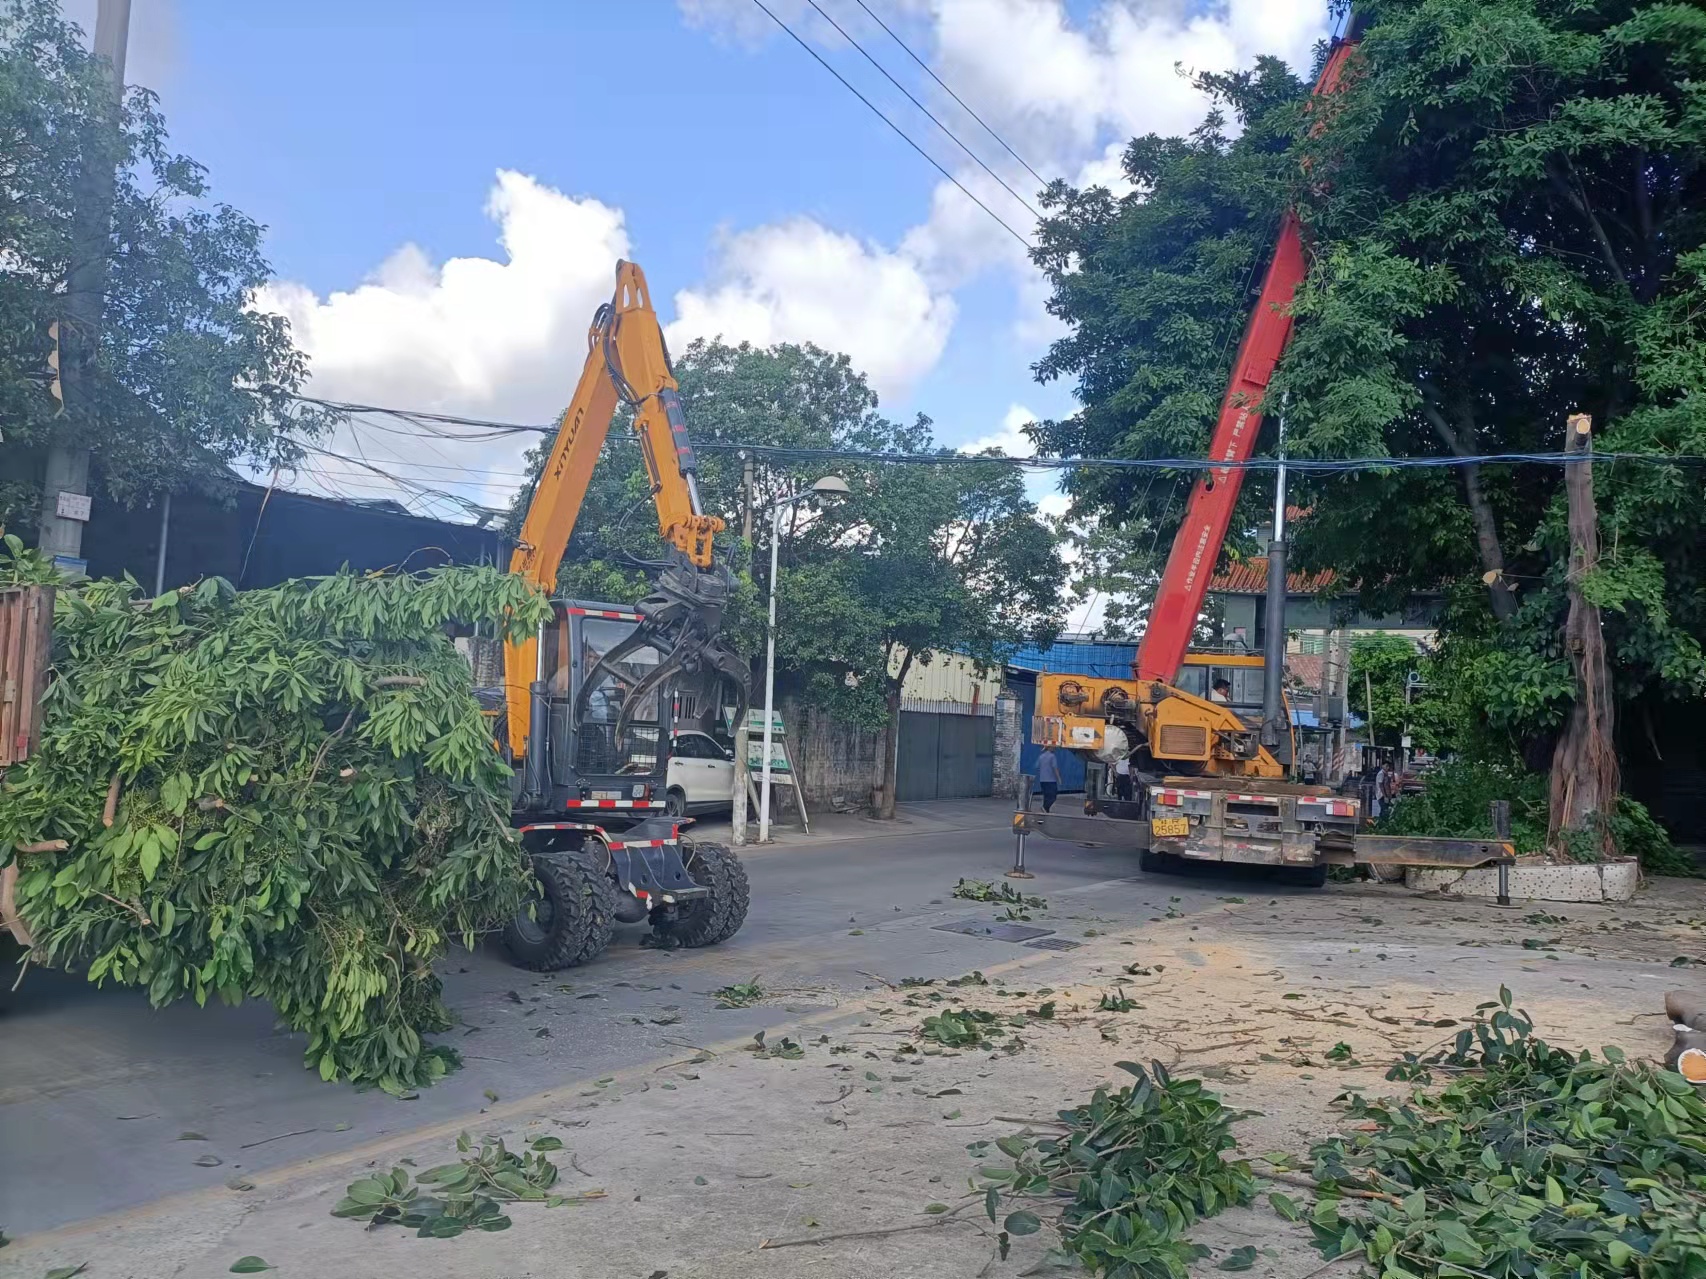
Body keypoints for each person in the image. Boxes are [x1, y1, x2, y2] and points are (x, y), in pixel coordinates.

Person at [1035, 746, 1062, 812]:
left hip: (1042, 780)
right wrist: (1059, 778)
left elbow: (1036, 766)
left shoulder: (1041, 756)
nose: (1055, 748)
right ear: (1049, 748)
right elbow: (1055, 768)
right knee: (1053, 797)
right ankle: (1044, 807)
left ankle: (1046, 810)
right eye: (1053, 747)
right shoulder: (1052, 756)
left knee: (1046, 796)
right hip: (1051, 780)